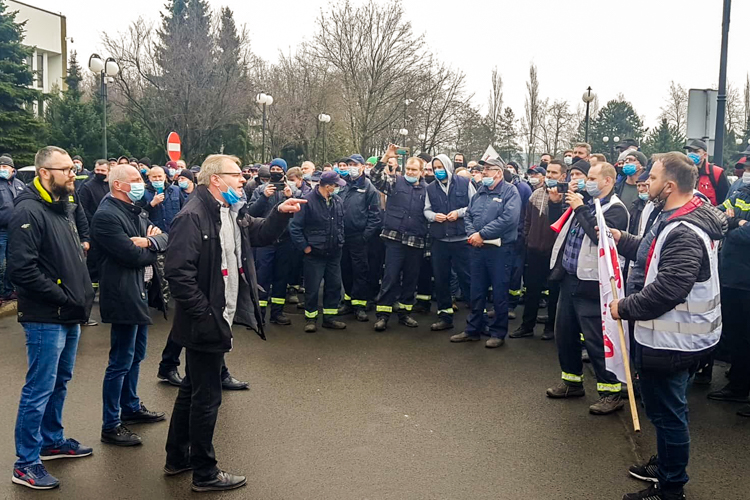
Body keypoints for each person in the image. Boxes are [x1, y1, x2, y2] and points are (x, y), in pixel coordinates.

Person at [164, 154, 304, 493]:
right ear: (215, 179)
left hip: (215, 318)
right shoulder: (192, 216)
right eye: (237, 175)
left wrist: (280, 214)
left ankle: (177, 458)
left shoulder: (229, 210)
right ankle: (205, 473)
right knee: (207, 398)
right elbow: (178, 275)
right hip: (206, 323)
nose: (243, 179)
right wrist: (207, 316)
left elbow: (259, 233)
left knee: (191, 390)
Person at [609, 152, 725, 500]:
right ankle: (667, 466)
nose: (646, 183)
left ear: (670, 186)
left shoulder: (684, 230)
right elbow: (650, 254)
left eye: (653, 179)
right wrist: (620, 238)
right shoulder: (672, 217)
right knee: (664, 409)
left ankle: (671, 488)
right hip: (673, 338)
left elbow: (670, 288)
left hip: (674, 342)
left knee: (669, 414)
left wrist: (623, 308)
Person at [8, 147, 96, 490]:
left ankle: (51, 440)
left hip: (68, 312)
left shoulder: (63, 207)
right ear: (45, 173)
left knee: (60, 380)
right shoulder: (28, 211)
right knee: (39, 387)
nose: (73, 175)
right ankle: (26, 462)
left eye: (74, 169)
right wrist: (65, 298)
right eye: (67, 170)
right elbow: (22, 270)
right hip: (47, 316)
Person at [92, 164, 170, 447]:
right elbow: (131, 256)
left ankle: (131, 406)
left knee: (136, 355)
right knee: (120, 360)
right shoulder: (106, 216)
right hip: (122, 294)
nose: (142, 184)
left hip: (139, 291)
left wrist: (149, 242)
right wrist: (152, 247)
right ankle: (111, 424)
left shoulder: (135, 210)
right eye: (136, 180)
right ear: (118, 185)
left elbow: (164, 237)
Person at [545, 162, 630, 415]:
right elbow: (560, 227)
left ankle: (611, 393)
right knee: (565, 334)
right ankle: (572, 382)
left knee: (595, 341)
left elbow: (598, 236)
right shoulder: (584, 203)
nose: (586, 182)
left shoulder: (616, 210)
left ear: (608, 181)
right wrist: (557, 203)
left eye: (592, 178)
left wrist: (580, 207)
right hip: (570, 277)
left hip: (593, 283)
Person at [449, 157, 520, 348]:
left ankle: (498, 332)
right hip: (478, 248)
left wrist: (482, 234)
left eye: (488, 169)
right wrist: (473, 234)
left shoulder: (510, 192)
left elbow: (508, 219)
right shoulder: (480, 192)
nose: (484, 172)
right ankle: (473, 329)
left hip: (499, 250)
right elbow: (469, 215)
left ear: (498, 172)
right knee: (476, 290)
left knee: (499, 292)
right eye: (484, 169)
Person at [370, 147, 429, 331]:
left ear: (421, 172)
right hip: (394, 239)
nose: (411, 172)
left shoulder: (428, 191)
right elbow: (375, 177)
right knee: (390, 277)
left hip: (416, 241)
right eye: (409, 169)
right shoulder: (395, 182)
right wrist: (385, 158)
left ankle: (405, 313)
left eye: (415, 170)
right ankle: (383, 315)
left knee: (411, 280)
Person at [708, 164, 750, 416]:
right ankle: (738, 382)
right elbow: (716, 215)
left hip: (746, 280)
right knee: (736, 334)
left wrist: (732, 223)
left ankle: (741, 387)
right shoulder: (742, 191)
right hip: (731, 276)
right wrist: (737, 221)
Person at [511, 159, 567, 340]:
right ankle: (527, 326)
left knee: (553, 292)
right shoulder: (535, 194)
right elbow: (527, 219)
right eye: (548, 172)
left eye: (554, 173)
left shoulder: (567, 198)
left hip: (555, 254)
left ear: (563, 176)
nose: (550, 176)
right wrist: (528, 239)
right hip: (534, 250)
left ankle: (550, 328)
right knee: (532, 291)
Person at [289, 171, 347, 332]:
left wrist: (340, 241)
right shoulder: (307, 201)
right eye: (336, 186)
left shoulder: (337, 201)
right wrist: (305, 247)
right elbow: (295, 228)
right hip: (314, 254)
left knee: (334, 287)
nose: (337, 189)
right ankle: (311, 318)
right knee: (312, 288)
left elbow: (340, 224)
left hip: (334, 253)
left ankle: (329, 318)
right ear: (327, 186)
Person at [424, 154, 475, 331]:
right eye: (435, 167)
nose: (438, 171)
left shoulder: (464, 183)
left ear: (448, 166)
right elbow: (426, 209)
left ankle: (477, 317)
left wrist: (459, 213)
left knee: (467, 278)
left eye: (440, 167)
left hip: (461, 239)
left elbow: (474, 205)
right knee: (441, 279)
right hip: (440, 239)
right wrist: (433, 217)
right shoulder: (430, 188)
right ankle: (445, 316)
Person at [249, 158, 301, 325]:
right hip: (265, 241)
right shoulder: (260, 190)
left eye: (279, 168)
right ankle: (259, 314)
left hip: (286, 241)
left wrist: (290, 196)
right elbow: (251, 212)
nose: (276, 171)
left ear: (284, 171)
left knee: (281, 277)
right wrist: (264, 197)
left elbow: (300, 213)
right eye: (274, 168)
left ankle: (277, 313)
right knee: (262, 277)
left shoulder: (293, 189)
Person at [336, 155, 381, 322]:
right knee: (345, 269)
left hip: (359, 237)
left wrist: (365, 236)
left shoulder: (369, 188)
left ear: (362, 167)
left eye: (354, 164)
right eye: (348, 164)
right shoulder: (341, 185)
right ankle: (348, 301)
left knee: (360, 271)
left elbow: (375, 215)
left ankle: (360, 305)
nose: (350, 167)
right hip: (342, 236)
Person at [506, 161, 532, 320]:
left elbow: (526, 214)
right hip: (502, 238)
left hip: (518, 237)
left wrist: (522, 232)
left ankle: (511, 304)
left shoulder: (523, 188)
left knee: (515, 272)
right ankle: (500, 305)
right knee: (502, 272)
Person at [0, 155, 26, 300]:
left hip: (16, 230)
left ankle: (9, 291)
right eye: (0, 167)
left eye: (4, 167)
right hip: (1, 230)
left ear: (12, 169)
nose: (1, 169)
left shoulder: (20, 184)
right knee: (0, 263)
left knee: (13, 261)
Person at [683, 139, 729, 206]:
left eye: (696, 151)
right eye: (690, 151)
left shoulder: (716, 173)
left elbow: (725, 198)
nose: (692, 154)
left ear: (704, 155)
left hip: (710, 213)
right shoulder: (683, 172)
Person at [141, 166, 184, 234]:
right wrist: (152, 204)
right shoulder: (143, 193)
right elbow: (140, 215)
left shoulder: (176, 190)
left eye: (159, 176)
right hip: (156, 233)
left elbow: (184, 208)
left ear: (164, 176)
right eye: (154, 177)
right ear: (149, 178)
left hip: (175, 231)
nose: (157, 179)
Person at [78, 159, 110, 224]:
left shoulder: (112, 186)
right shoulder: (87, 186)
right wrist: (94, 220)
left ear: (108, 171)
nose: (100, 172)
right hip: (94, 224)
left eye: (103, 170)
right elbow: (83, 208)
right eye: (97, 170)